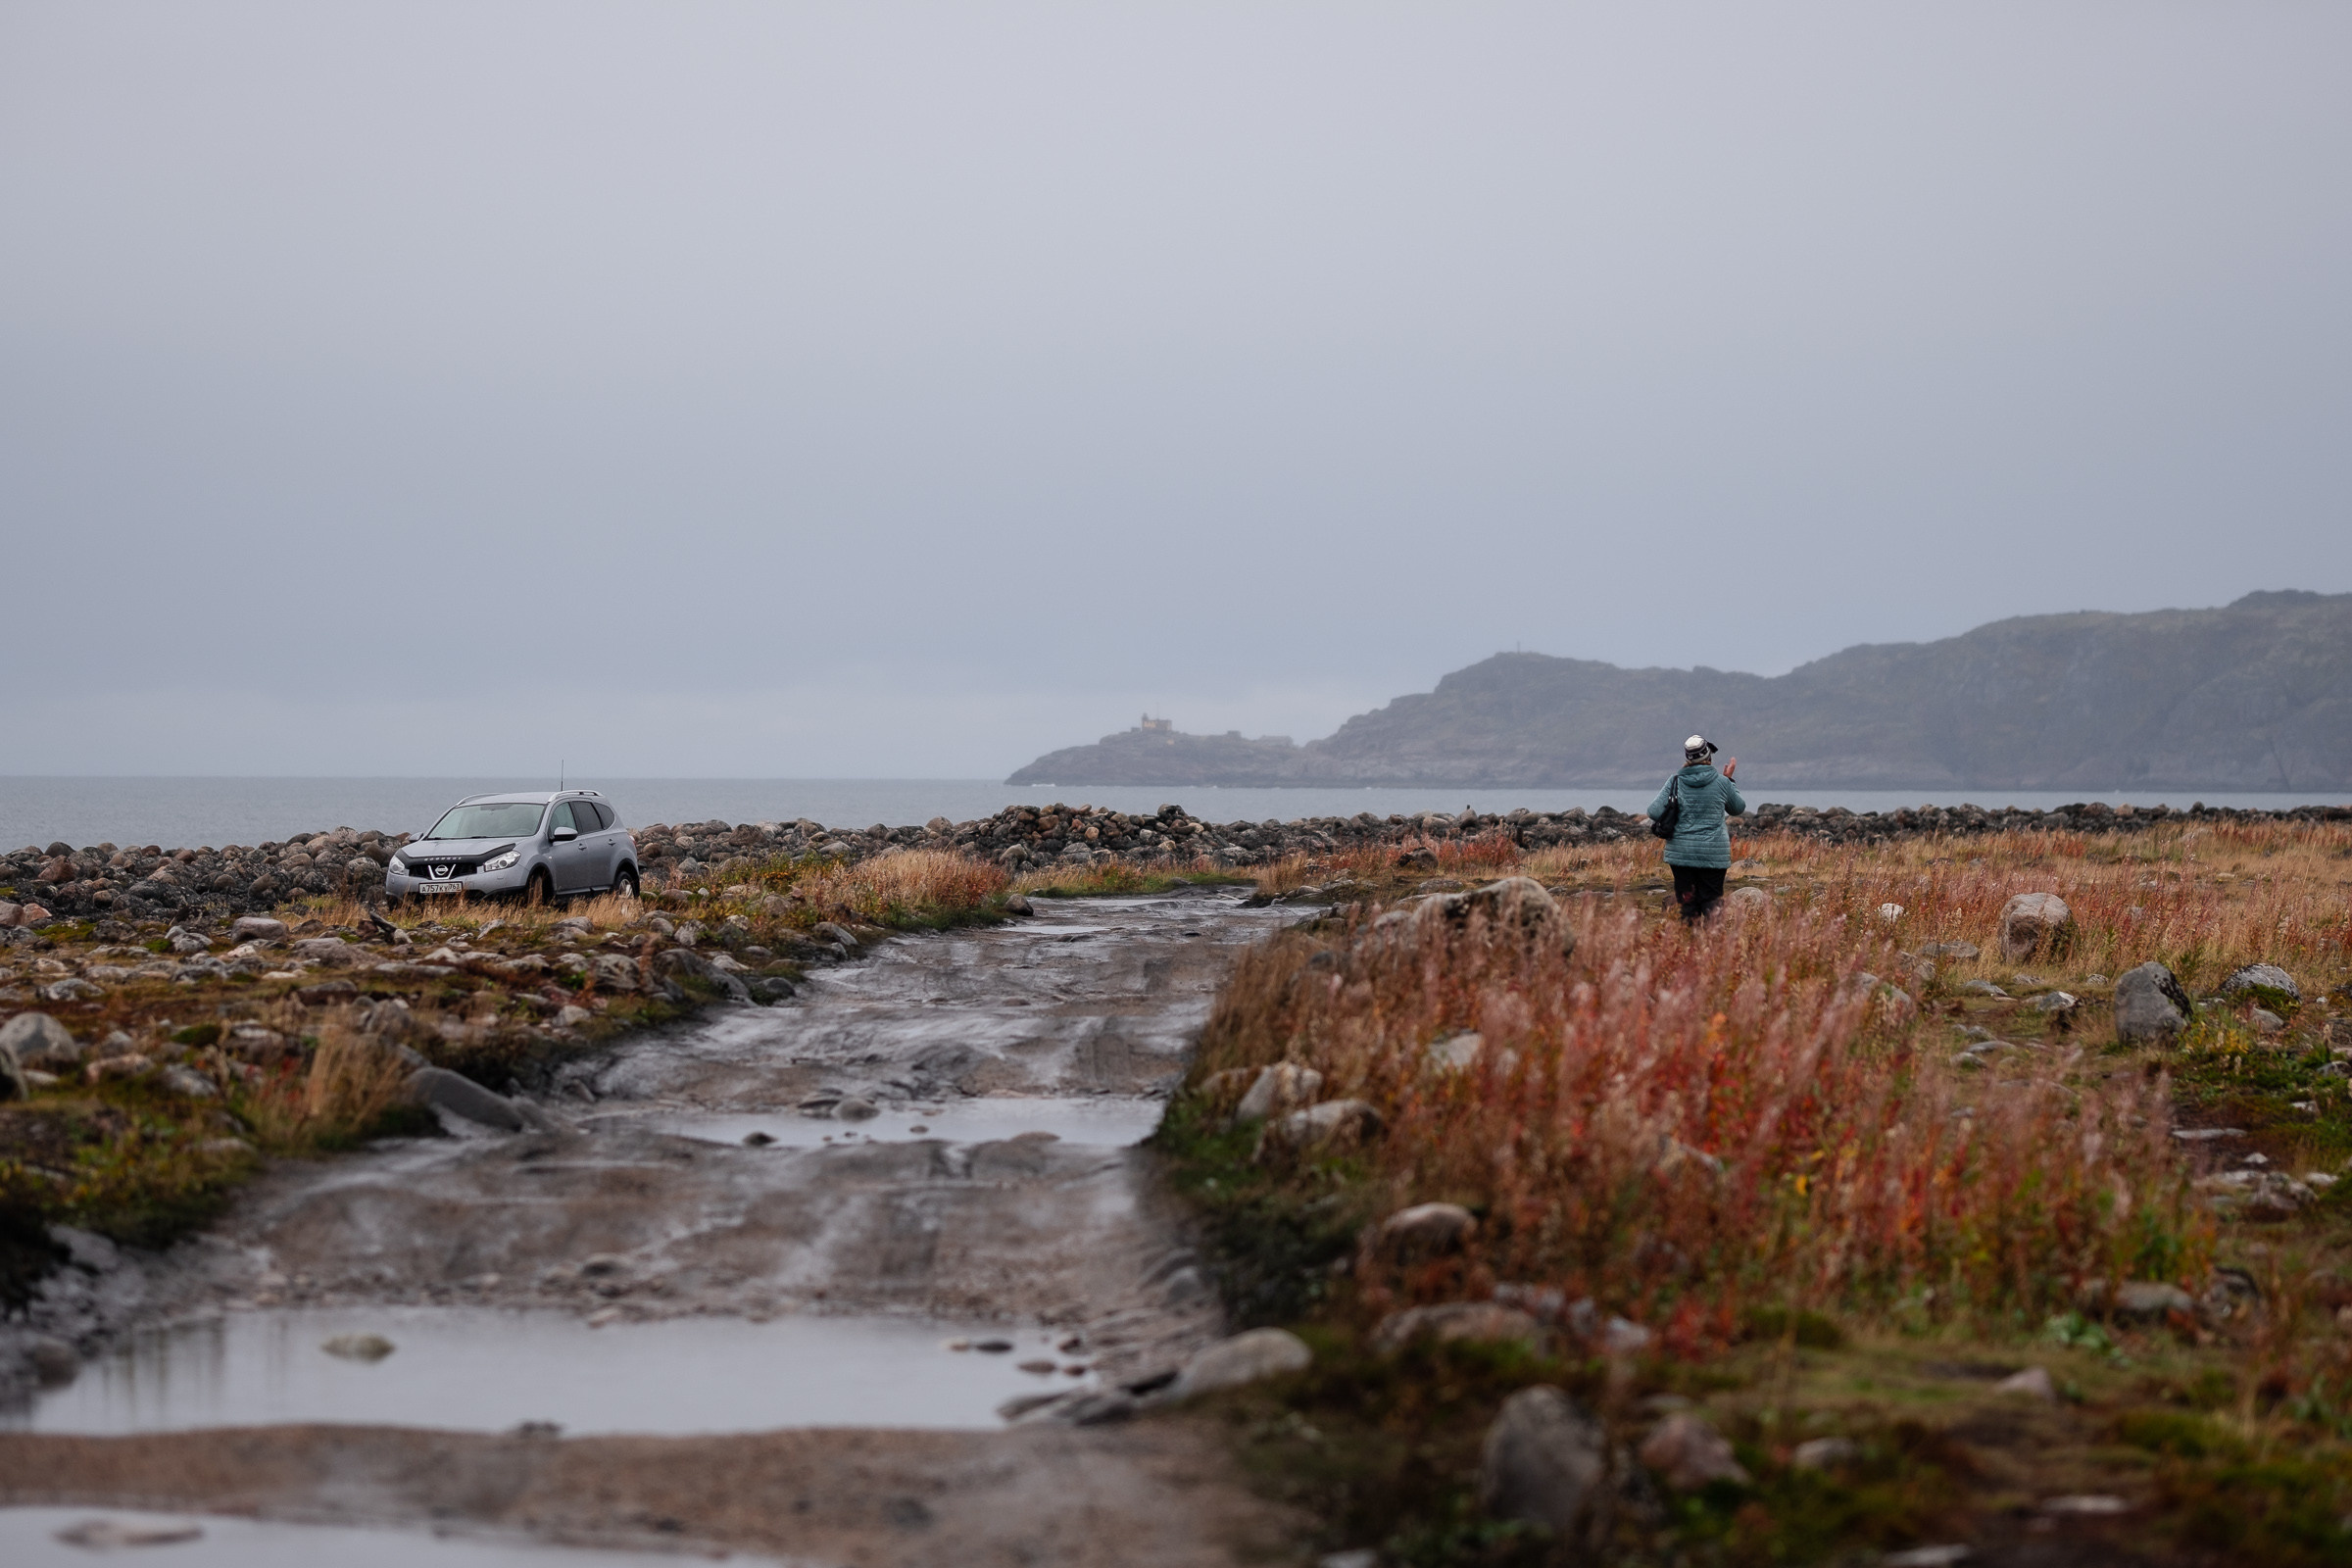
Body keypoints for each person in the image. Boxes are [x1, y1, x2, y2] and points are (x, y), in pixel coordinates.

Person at [1648, 735, 1745, 923]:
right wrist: (1729, 781)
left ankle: (1689, 946)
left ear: (1687, 759)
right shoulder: (1722, 783)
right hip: (1713, 854)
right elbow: (1737, 808)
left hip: (1681, 853)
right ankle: (1711, 945)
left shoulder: (1675, 781)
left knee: (1687, 902)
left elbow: (1653, 811)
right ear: (1708, 756)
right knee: (1711, 901)